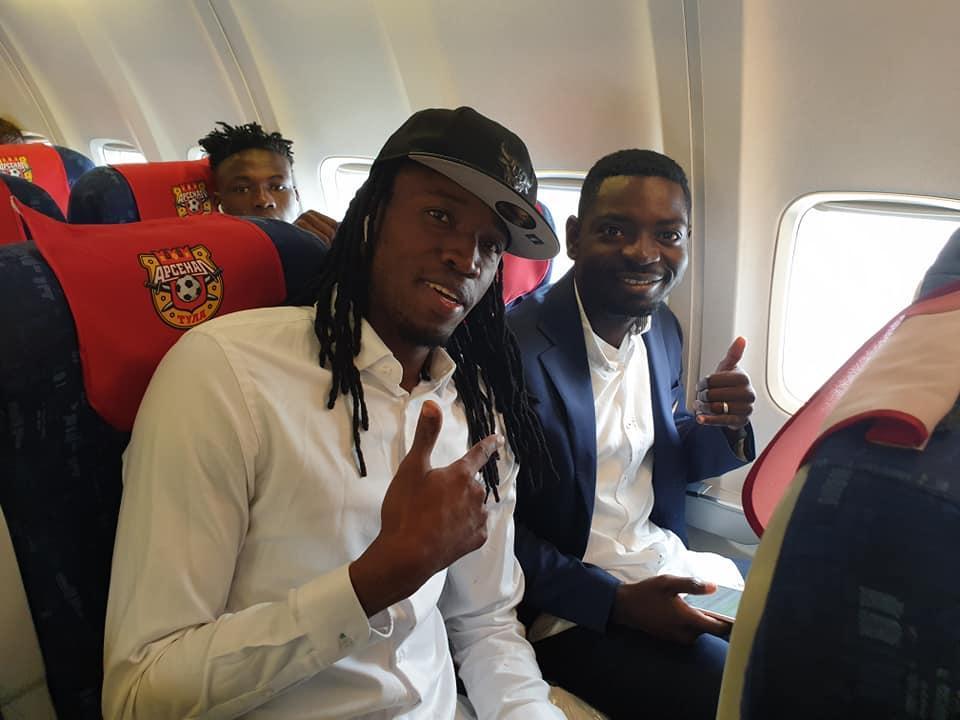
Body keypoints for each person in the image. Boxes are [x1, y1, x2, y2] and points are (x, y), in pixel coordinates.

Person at [103, 106, 565, 719]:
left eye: (491, 244)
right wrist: (373, 582)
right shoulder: (226, 374)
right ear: (369, 216)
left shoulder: (476, 412)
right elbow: (139, 695)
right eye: (439, 215)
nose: (466, 256)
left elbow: (485, 625)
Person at [507, 149, 757, 719]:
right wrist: (616, 603)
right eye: (616, 230)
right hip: (572, 606)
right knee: (739, 697)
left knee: (806, 648)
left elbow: (661, 452)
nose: (645, 253)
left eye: (668, 234)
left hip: (661, 561)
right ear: (575, 237)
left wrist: (724, 426)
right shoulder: (512, 348)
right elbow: (493, 533)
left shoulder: (662, 327)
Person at [199, 121, 338, 243]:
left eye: (278, 187)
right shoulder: (212, 258)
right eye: (242, 189)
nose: (263, 201)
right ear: (219, 202)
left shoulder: (326, 239)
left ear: (296, 196)